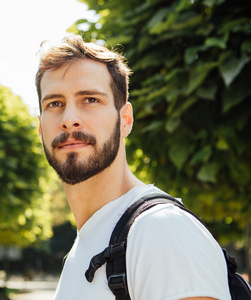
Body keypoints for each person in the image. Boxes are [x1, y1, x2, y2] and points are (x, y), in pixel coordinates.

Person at [35, 34, 230, 300]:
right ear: (40, 128)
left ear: (125, 120)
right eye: (54, 104)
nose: (69, 120)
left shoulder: (162, 232)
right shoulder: (87, 243)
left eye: (90, 99)